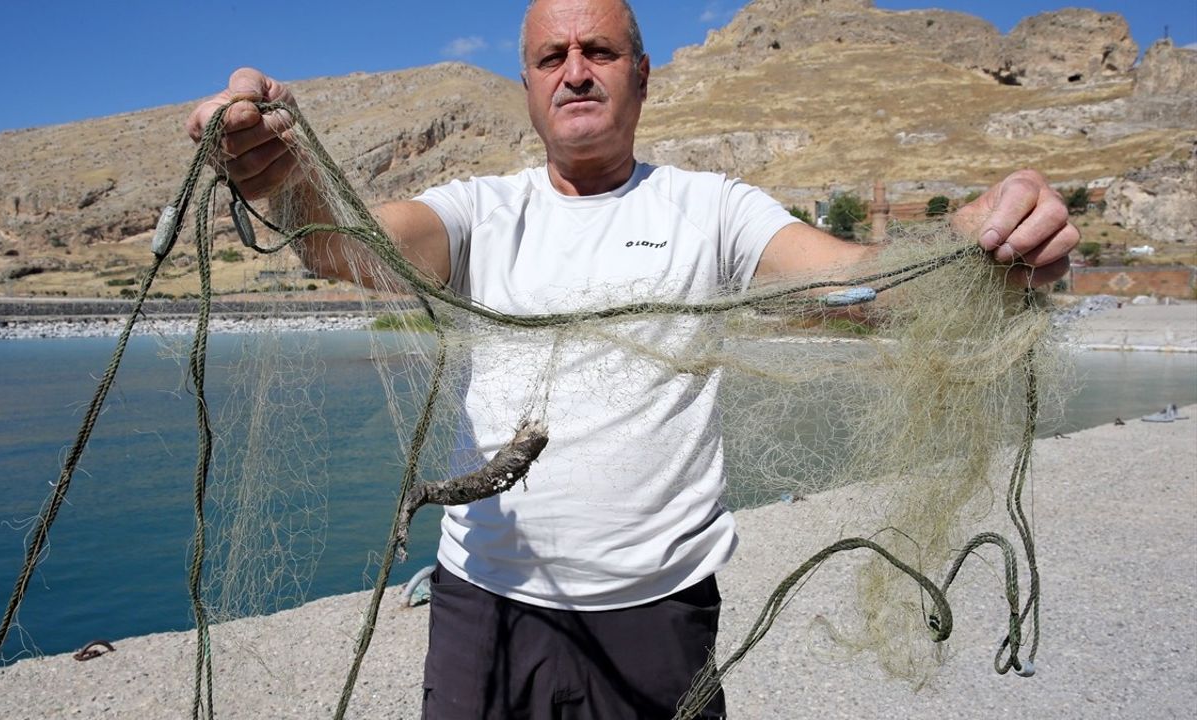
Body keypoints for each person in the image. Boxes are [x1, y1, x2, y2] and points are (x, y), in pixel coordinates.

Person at [187, 1, 1079, 717]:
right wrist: (284, 179)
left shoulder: (713, 208)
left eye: (600, 51)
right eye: (552, 56)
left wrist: (975, 247)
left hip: (660, 614)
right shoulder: (480, 211)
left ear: (642, 76)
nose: (575, 70)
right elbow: (350, 243)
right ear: (529, 87)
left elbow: (863, 285)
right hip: (484, 604)